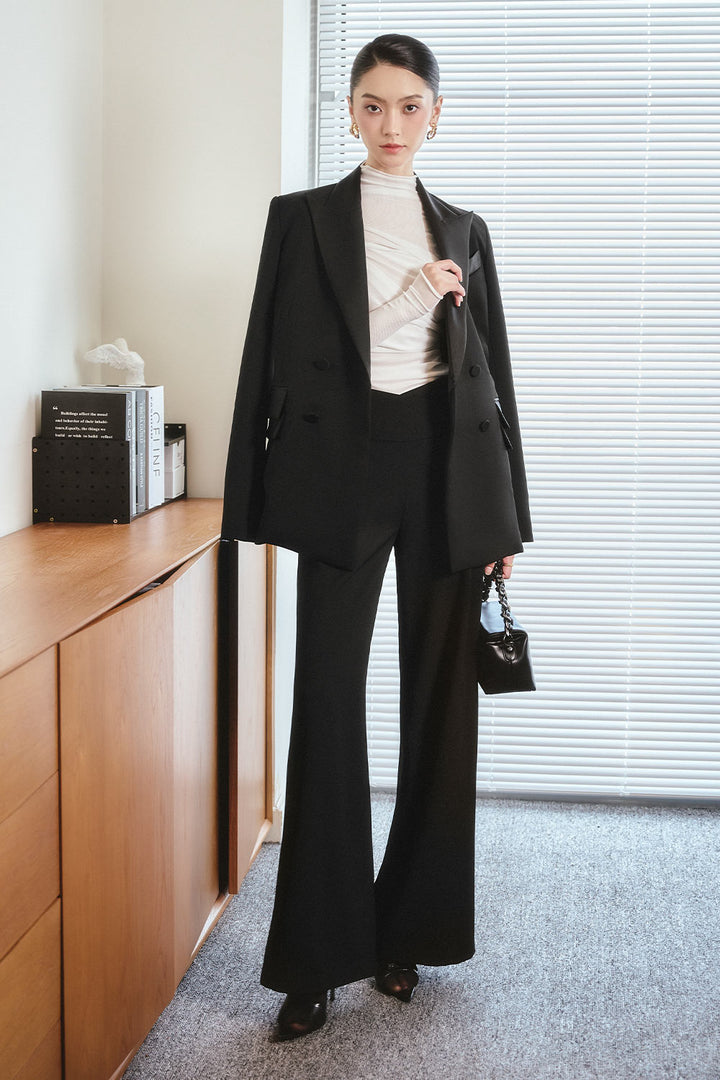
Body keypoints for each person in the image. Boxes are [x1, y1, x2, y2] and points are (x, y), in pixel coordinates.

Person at [221, 33, 532, 1041]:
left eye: (408, 106)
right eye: (371, 105)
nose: (389, 123)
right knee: (326, 701)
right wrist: (249, 498)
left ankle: (411, 932)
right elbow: (276, 356)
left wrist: (508, 519)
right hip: (339, 474)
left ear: (436, 115)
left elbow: (493, 380)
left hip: (447, 469)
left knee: (442, 710)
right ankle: (315, 958)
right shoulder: (303, 219)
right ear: (350, 112)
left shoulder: (467, 228)